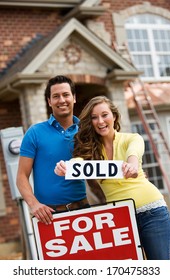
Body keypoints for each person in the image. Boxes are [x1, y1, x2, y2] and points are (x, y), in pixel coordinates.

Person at [55, 95, 170, 260]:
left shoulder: (132, 138)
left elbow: (134, 153)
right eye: (94, 117)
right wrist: (65, 167)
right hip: (119, 219)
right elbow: (78, 162)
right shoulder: (90, 150)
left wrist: (132, 165)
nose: (100, 121)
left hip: (152, 212)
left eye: (104, 115)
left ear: (114, 116)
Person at [16, 75, 104, 225]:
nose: (62, 100)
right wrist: (34, 205)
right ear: (49, 102)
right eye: (56, 96)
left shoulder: (85, 132)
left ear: (74, 98)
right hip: (49, 217)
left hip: (84, 210)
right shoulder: (35, 132)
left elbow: (99, 169)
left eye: (65, 95)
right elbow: (21, 177)